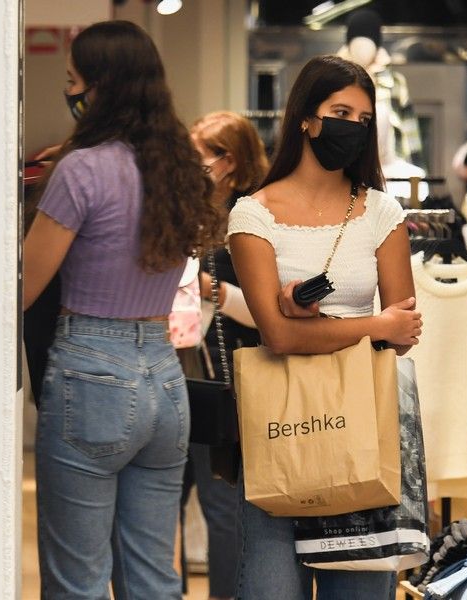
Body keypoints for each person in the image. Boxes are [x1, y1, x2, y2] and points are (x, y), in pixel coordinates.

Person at [22, 20, 225, 599]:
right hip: (165, 377)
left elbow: (25, 286)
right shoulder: (180, 170)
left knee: (77, 580)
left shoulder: (81, 170)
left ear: (101, 86)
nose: (69, 92)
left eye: (72, 79)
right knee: (153, 576)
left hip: (90, 374)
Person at [227, 55, 422, 599]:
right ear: (306, 119)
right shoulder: (253, 214)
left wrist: (324, 320)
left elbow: (403, 329)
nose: (353, 129)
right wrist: (371, 323)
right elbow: (280, 336)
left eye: (363, 119)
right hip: (279, 430)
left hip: (363, 429)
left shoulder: (382, 212)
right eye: (341, 112)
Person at [179, 111, 268, 600]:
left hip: (225, 381)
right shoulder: (183, 211)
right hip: (176, 372)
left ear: (229, 161)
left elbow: (267, 313)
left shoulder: (250, 219)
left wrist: (214, 290)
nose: (192, 165)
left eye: (200, 155)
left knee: (221, 505)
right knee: (165, 502)